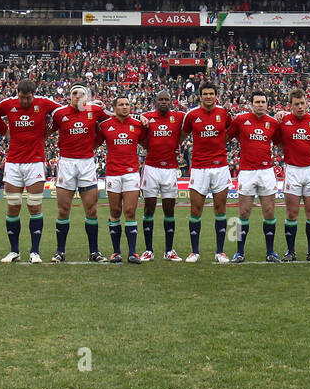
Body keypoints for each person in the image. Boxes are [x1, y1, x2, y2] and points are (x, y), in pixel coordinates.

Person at [0, 79, 61, 263]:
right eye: (22, 98)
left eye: (28, 98)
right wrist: (5, 131)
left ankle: (35, 251)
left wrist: (50, 130)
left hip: (35, 162)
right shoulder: (8, 104)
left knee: (34, 206)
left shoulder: (43, 102)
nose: (25, 101)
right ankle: (14, 251)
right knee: (13, 206)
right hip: (14, 163)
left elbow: (63, 113)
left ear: (33, 94)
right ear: (18, 94)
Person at [51, 86, 109, 262]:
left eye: (81, 93)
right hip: (66, 163)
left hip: (87, 164)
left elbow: (110, 125)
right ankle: (60, 251)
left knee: (91, 210)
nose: (77, 96)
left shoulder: (96, 110)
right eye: (74, 93)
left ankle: (94, 252)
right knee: (63, 210)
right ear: (69, 97)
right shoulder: (59, 114)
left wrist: (96, 144)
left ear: (87, 97)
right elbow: (47, 131)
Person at [180, 82, 234, 263]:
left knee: (220, 209)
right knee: (196, 209)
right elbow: (182, 135)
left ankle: (220, 252)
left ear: (216, 95)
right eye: (205, 94)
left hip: (220, 167)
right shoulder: (192, 115)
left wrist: (220, 145)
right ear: (200, 96)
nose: (209, 96)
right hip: (199, 167)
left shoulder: (224, 114)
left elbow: (230, 132)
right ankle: (194, 251)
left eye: (212, 93)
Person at [228, 91, 282, 263]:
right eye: (257, 101)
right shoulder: (241, 120)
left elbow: (281, 143)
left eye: (263, 102)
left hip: (267, 172)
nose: (260, 104)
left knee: (269, 212)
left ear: (267, 104)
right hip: (246, 172)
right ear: (251, 103)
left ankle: (270, 252)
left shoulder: (273, 123)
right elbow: (227, 137)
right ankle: (239, 252)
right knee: (243, 212)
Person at [275, 88, 310, 261]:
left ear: (307, 103)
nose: (300, 107)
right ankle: (290, 251)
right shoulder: (283, 121)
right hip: (293, 170)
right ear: (290, 106)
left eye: (303, 103)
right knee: (292, 212)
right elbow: (277, 141)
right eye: (297, 104)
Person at [99, 96, 146, 263]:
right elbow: (94, 143)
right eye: (121, 104)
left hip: (131, 173)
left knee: (130, 212)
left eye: (127, 104)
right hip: (112, 173)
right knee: (115, 212)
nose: (125, 107)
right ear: (115, 107)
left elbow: (147, 143)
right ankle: (116, 252)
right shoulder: (105, 126)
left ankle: (132, 253)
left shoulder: (138, 124)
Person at [141, 91, 186, 261]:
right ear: (155, 101)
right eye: (161, 99)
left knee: (169, 209)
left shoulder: (179, 116)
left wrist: (177, 142)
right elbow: (140, 135)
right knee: (149, 208)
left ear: (171, 102)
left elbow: (189, 125)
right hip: (151, 168)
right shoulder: (146, 117)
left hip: (170, 169)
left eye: (167, 99)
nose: (164, 102)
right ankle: (148, 250)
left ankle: (169, 250)